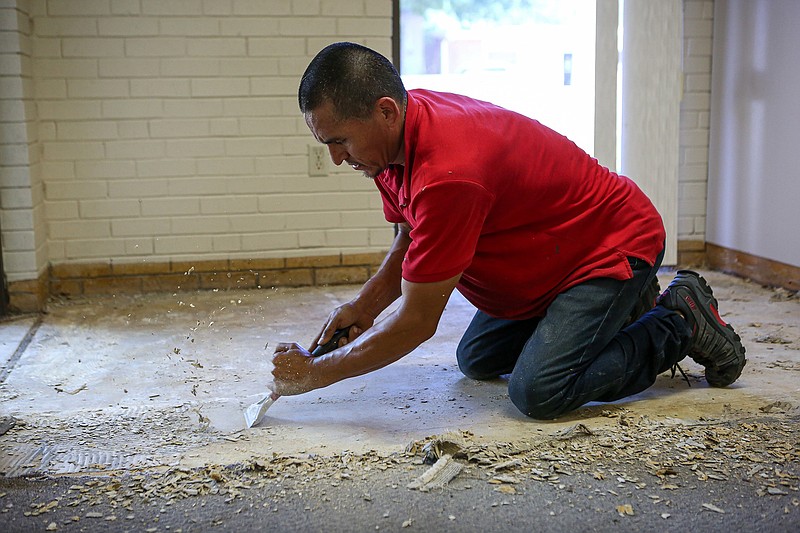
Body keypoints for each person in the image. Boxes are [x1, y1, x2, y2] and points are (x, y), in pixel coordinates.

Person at [270, 42, 746, 419]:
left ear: (386, 110)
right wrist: (362, 308)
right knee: (476, 359)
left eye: (339, 141)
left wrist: (314, 374)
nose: (335, 158)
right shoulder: (392, 146)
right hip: (552, 257)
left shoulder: (448, 173)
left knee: (539, 391)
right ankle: (622, 312)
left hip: (611, 244)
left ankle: (678, 321)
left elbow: (416, 323)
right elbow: (412, 237)